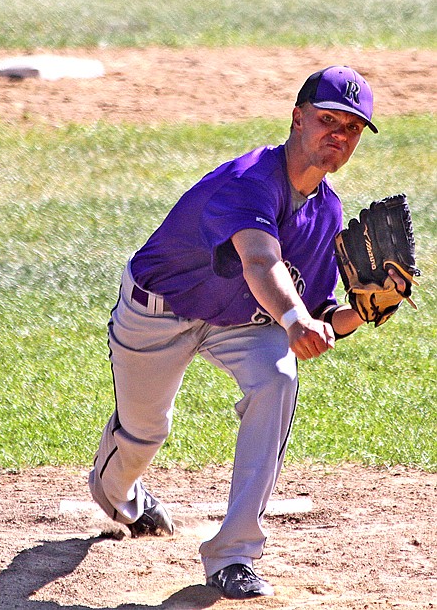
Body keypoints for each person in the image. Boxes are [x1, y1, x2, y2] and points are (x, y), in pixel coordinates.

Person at [89, 65, 399, 600]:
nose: (339, 136)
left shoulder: (327, 212)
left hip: (242, 322)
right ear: (297, 118)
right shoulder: (249, 179)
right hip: (158, 311)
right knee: (144, 434)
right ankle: (121, 497)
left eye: (351, 129)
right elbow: (259, 261)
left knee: (278, 379)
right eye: (328, 120)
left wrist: (363, 313)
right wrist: (295, 319)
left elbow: (321, 318)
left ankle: (234, 554)